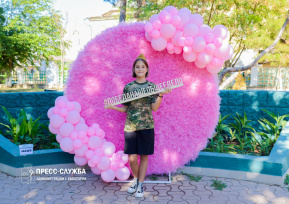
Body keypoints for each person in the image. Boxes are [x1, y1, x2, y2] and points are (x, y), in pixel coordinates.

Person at [105, 53, 172, 198]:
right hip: (131, 127)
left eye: (143, 67)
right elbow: (125, 108)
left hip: (147, 126)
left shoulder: (152, 87)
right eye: (137, 67)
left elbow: (154, 108)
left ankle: (140, 185)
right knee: (132, 159)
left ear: (146, 69)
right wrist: (114, 107)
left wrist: (160, 95)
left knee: (144, 157)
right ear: (134, 69)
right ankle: (135, 180)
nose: (140, 69)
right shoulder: (128, 87)